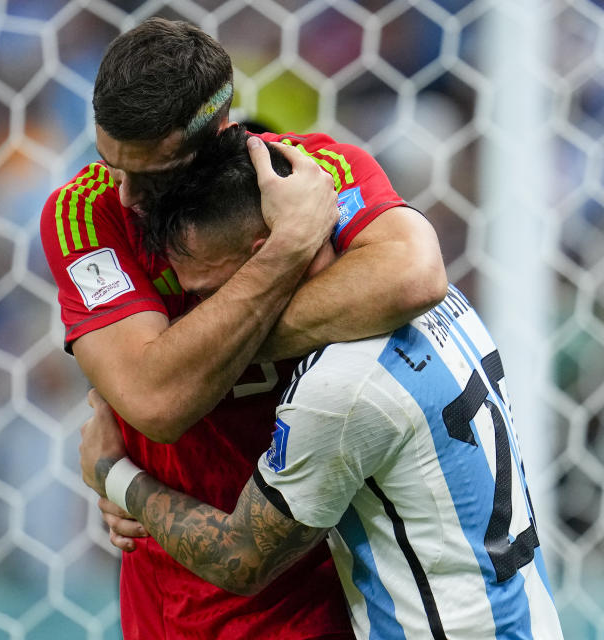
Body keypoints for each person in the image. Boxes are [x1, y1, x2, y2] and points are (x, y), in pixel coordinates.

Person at [40, 17, 448, 639]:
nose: (124, 195)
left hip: (328, 604)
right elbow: (157, 400)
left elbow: (415, 274)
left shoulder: (309, 172)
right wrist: (287, 255)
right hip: (170, 611)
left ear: (218, 135)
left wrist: (182, 358)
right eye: (110, 162)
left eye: (151, 174)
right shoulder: (85, 212)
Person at [79, 126, 564, 639]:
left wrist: (114, 475)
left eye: (212, 290)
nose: (206, 313)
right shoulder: (433, 300)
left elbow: (240, 557)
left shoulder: (339, 386)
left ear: (268, 253)